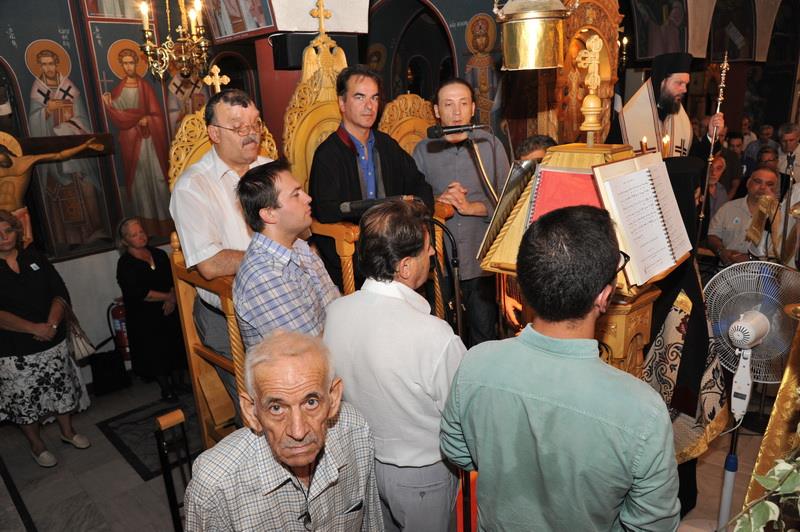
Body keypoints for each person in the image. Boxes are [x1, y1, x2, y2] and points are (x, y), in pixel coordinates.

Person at [440, 205, 680, 530]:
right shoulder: (642, 410)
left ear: (524, 286)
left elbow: (458, 451)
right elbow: (654, 524)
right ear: (604, 297)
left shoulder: (476, 363)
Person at [324, 199, 465, 532]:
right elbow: (462, 415)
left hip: (364, 465)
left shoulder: (336, 312)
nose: (433, 253)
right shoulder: (433, 334)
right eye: (428, 248)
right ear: (405, 266)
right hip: (424, 476)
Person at [184, 330, 383, 531]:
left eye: (311, 402)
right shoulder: (215, 487)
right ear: (251, 412)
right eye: (276, 408)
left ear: (333, 399)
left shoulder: (355, 431)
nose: (298, 432)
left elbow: (371, 525)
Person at [169, 88, 271, 410]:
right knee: (264, 408)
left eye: (255, 124)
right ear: (214, 134)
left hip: (280, 297)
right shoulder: (193, 186)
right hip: (229, 313)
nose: (251, 133)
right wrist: (272, 255)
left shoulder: (270, 169)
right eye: (239, 127)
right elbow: (211, 264)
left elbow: (300, 231)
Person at [308, 65, 433, 290]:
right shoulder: (327, 154)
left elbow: (420, 185)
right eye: (360, 97)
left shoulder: (387, 145)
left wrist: (414, 218)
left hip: (396, 253)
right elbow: (326, 212)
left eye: (374, 98)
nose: (369, 106)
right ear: (342, 103)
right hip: (353, 258)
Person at [413, 78, 508, 346]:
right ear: (436, 110)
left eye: (463, 104)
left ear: (473, 108)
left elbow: (509, 202)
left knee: (484, 333)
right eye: (448, 104)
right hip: (440, 259)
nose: (456, 112)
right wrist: (437, 201)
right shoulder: (423, 149)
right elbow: (413, 202)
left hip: (480, 257)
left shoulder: (490, 146)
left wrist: (470, 207)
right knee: (443, 336)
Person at [0, 210, 90, 467]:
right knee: (25, 401)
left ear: (17, 232)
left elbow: (59, 292)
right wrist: (33, 328)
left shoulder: (35, 257)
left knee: (61, 390)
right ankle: (37, 446)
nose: (3, 237)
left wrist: (51, 324)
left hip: (53, 340)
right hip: (14, 351)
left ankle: (68, 432)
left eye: (8, 230)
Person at [233, 159, 339, 350]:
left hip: (335, 350)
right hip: (311, 365)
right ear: (269, 214)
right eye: (296, 195)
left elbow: (335, 309)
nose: (308, 198)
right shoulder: (264, 276)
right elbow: (307, 351)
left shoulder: (299, 246)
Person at [29, 47, 107, 247]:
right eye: (44, 64)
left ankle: (95, 230)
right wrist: (47, 111)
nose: (48, 68)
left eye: (51, 63)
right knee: (62, 192)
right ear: (40, 66)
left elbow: (82, 118)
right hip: (54, 154)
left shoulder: (69, 88)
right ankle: (71, 239)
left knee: (86, 186)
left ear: (57, 64)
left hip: (75, 148)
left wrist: (69, 125)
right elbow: (34, 123)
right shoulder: (37, 91)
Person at [103, 48, 172, 237]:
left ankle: (165, 223)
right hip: (131, 142)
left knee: (158, 179)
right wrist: (109, 104)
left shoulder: (145, 87)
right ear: (121, 65)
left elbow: (157, 115)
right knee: (139, 182)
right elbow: (117, 115)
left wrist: (148, 119)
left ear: (136, 64)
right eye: (125, 63)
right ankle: (146, 226)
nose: (128, 66)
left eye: (131, 62)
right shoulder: (118, 90)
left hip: (149, 142)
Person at [116, 217, 187, 402]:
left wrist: (172, 296)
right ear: (125, 241)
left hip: (169, 309)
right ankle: (166, 389)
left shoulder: (159, 254)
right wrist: (168, 297)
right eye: (134, 235)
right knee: (155, 351)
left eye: (141, 232)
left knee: (176, 344)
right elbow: (139, 292)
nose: (140, 236)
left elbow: (173, 278)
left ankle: (179, 383)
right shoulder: (125, 263)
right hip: (145, 316)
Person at [614, 52, 724, 158]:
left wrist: (711, 135)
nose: (685, 90)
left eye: (686, 84)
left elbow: (696, 160)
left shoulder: (682, 120)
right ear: (661, 81)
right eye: (679, 83)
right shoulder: (627, 121)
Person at [0, 135, 103, 213]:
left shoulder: (27, 161)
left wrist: (85, 146)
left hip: (17, 211)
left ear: (5, 151)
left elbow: (59, 155)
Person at [708, 166, 782, 264]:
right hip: (726, 269)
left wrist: (751, 259)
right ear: (748, 183)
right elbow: (712, 235)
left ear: (776, 189)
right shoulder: (728, 208)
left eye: (769, 184)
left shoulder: (780, 215)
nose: (763, 187)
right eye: (758, 181)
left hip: (761, 271)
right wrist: (721, 251)